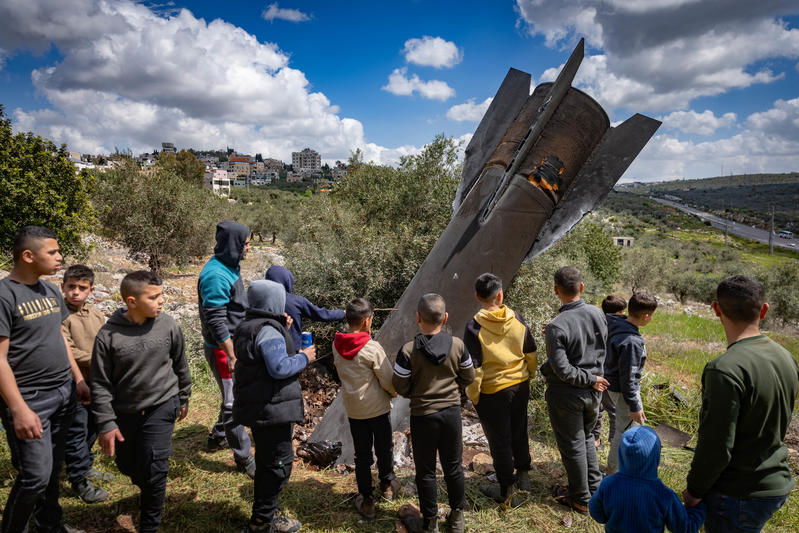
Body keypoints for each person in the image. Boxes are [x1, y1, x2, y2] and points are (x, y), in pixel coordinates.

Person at [683, 275, 799, 532]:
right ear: (764, 310)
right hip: (775, 482)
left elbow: (717, 444)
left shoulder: (724, 369)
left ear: (716, 309)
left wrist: (694, 490)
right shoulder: (786, 357)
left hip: (737, 492)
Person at [0, 226, 91, 533]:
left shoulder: (50, 291)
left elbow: (59, 339)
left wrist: (77, 380)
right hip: (30, 399)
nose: (59, 257)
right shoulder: (4, 295)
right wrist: (18, 409)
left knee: (52, 471)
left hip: (63, 392)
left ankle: (50, 525)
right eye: (52, 252)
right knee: (35, 476)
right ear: (28, 256)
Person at [92, 270, 191, 533]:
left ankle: (149, 525)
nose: (161, 301)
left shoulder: (168, 325)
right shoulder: (108, 336)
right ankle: (146, 486)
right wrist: (105, 422)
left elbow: (180, 363)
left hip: (162, 405)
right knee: (127, 464)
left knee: (156, 468)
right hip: (125, 412)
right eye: (154, 297)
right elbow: (100, 383)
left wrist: (184, 396)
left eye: (162, 295)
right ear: (132, 301)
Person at [233, 280, 316, 533]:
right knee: (277, 466)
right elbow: (279, 367)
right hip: (272, 409)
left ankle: (266, 515)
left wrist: (283, 328)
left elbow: (264, 358)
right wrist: (304, 357)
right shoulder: (268, 331)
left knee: (268, 461)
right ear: (273, 302)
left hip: (261, 407)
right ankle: (261, 522)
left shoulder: (249, 325)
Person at [393, 294, 474, 533]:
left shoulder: (408, 351)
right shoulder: (458, 345)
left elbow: (399, 385)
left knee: (426, 470)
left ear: (418, 317)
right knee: (453, 466)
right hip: (451, 414)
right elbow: (469, 376)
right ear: (445, 318)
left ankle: (430, 522)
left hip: (423, 415)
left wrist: (417, 393)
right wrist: (454, 387)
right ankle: (457, 518)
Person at [463, 273, 537, 504]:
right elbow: (531, 352)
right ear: (500, 295)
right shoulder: (517, 319)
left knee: (499, 440)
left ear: (477, 296)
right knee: (519, 429)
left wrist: (473, 395)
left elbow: (475, 368)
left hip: (492, 391)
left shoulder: (474, 326)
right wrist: (529, 374)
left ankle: (507, 489)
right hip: (519, 385)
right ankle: (523, 475)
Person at [541, 266, 608, 514]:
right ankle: (595, 489)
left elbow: (563, 370)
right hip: (595, 390)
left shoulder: (558, 326)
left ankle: (581, 499)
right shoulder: (597, 313)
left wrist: (588, 379)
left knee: (573, 446)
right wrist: (593, 379)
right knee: (587, 438)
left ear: (556, 290)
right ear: (581, 287)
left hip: (569, 393)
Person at [332, 298, 399, 520]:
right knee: (384, 448)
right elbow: (387, 379)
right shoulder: (371, 348)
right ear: (367, 321)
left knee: (362, 455)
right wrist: (393, 393)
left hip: (354, 411)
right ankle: (387, 485)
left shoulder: (336, 345)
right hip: (378, 409)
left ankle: (367, 499)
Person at [198, 220, 255, 476]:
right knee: (234, 404)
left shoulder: (229, 266)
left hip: (232, 345)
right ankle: (244, 458)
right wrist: (232, 354)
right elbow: (216, 321)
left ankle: (218, 436)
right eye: (246, 243)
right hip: (222, 350)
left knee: (233, 396)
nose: (249, 248)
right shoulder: (215, 275)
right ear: (234, 244)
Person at [589, 426, 705, 533]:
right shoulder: (664, 495)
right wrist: (700, 508)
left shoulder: (608, 483)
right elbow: (685, 528)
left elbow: (595, 511)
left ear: (621, 454)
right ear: (655, 457)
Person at [61, 264, 112, 504]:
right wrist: (99, 359)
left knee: (93, 426)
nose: (76, 292)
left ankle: (86, 465)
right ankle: (79, 480)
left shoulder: (95, 313)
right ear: (63, 287)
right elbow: (67, 350)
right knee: (77, 430)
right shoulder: (61, 316)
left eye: (82, 288)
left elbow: (106, 339)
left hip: (97, 381)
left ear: (91, 289)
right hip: (74, 383)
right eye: (71, 287)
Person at [604, 292, 657, 473]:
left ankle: (619, 468)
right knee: (625, 432)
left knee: (625, 428)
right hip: (623, 391)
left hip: (611, 383)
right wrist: (634, 406)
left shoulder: (614, 322)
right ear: (646, 316)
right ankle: (614, 472)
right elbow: (628, 378)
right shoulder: (632, 341)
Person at [265, 265, 345, 350]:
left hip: (264, 348)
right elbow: (321, 314)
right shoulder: (296, 301)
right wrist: (342, 313)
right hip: (292, 350)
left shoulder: (258, 300)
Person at [592, 295, 626, 450]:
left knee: (597, 408)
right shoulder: (623, 326)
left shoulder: (595, 323)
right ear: (620, 311)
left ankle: (595, 440)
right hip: (611, 375)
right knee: (614, 411)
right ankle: (614, 441)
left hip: (594, 373)